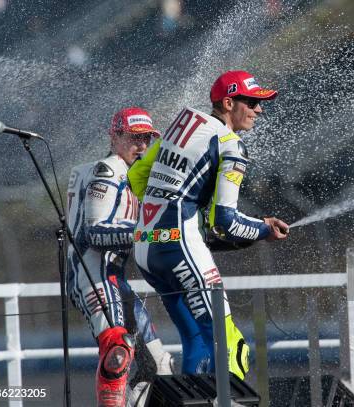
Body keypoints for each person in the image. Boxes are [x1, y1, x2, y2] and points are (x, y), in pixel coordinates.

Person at [128, 70, 289, 379]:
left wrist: (171, 205)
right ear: (229, 103)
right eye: (252, 102)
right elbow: (226, 222)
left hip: (146, 247)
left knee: (198, 342)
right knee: (232, 346)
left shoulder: (183, 123)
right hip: (179, 246)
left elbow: (135, 177)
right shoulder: (231, 144)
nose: (259, 110)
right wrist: (265, 228)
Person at [67, 107, 174, 407]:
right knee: (117, 351)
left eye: (147, 139)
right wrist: (153, 233)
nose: (142, 146)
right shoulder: (108, 170)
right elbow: (95, 233)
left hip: (115, 278)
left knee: (159, 365)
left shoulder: (137, 175)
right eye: (134, 138)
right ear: (114, 137)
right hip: (92, 276)